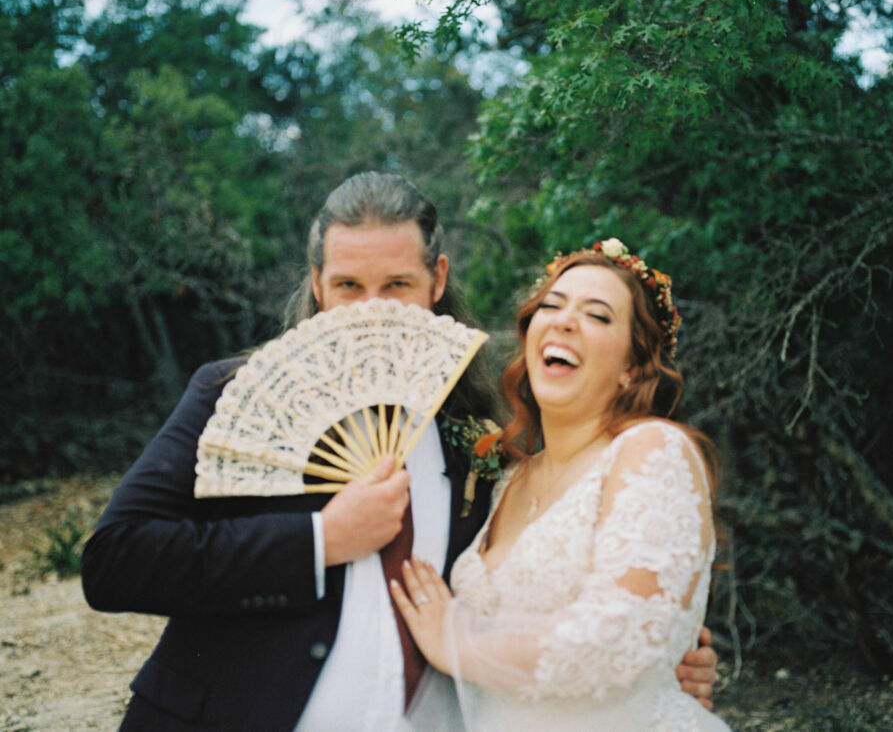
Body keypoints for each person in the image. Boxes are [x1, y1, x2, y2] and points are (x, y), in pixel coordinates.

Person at [81, 173, 717, 730]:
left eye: (397, 284)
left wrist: (656, 668)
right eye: (350, 285)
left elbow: (532, 595)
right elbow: (115, 561)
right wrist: (320, 540)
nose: (371, 312)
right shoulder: (229, 392)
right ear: (317, 285)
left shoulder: (479, 436)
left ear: (437, 280)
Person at [391, 239, 730, 730]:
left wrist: (455, 642)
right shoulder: (508, 479)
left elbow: (622, 639)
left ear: (632, 367)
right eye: (551, 306)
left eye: (597, 315)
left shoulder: (652, 451)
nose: (564, 321)